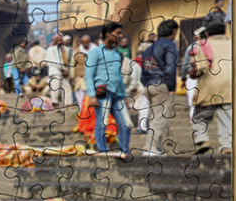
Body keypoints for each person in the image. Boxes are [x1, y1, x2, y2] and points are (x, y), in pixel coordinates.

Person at [84, 22, 133, 161]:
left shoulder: (117, 54)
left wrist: (124, 97)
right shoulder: (95, 53)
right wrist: (92, 95)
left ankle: (124, 151)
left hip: (118, 95)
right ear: (107, 34)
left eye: (121, 33)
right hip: (102, 94)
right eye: (118, 33)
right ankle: (103, 151)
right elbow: (88, 76)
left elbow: (119, 77)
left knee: (126, 124)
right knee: (102, 123)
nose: (120, 36)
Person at [189, 21, 232, 153]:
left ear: (207, 34)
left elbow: (199, 67)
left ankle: (202, 139)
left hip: (209, 86)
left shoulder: (201, 45)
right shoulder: (234, 44)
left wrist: (193, 73)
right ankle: (226, 146)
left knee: (199, 116)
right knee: (227, 118)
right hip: (230, 87)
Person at [141, 18, 179, 156]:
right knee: (159, 119)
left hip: (148, 85)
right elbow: (170, 68)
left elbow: (143, 72)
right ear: (173, 31)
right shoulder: (170, 45)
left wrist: (146, 84)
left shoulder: (148, 49)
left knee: (154, 118)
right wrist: (171, 87)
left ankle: (154, 148)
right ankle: (151, 148)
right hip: (162, 84)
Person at [181, 27, 206, 120]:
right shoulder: (210, 47)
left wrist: (183, 77)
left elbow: (184, 64)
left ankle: (193, 119)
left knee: (192, 99)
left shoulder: (191, 47)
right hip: (205, 76)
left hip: (193, 76)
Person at [45, 34, 72, 108]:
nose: (60, 42)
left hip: (64, 72)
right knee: (55, 88)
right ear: (55, 41)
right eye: (58, 40)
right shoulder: (50, 49)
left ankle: (68, 103)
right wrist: (62, 69)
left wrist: (65, 69)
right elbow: (53, 62)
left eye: (61, 40)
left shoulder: (63, 49)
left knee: (67, 87)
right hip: (55, 71)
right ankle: (54, 103)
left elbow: (66, 61)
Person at [71, 33, 93, 106]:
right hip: (79, 77)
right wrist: (72, 76)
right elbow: (72, 64)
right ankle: (82, 110)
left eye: (87, 42)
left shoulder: (94, 50)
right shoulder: (76, 51)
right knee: (80, 95)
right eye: (84, 42)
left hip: (91, 77)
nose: (86, 44)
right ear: (81, 42)